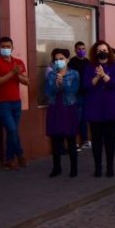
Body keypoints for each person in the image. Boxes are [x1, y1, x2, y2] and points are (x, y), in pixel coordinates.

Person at [0, 36, 29, 169]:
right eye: (3, 47)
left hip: (16, 102)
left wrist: (17, 75)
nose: (6, 49)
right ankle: (20, 153)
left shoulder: (18, 62)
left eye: (8, 46)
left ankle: (9, 159)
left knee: (13, 131)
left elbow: (27, 81)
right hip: (1, 102)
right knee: (12, 129)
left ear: (12, 48)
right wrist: (12, 73)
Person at [83, 40, 115, 177]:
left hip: (110, 107)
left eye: (105, 50)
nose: (102, 52)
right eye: (100, 50)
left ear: (109, 52)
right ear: (95, 52)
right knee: (97, 140)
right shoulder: (90, 66)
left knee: (110, 140)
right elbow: (87, 85)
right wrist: (97, 75)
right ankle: (98, 167)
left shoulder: (114, 66)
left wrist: (104, 75)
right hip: (95, 108)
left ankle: (110, 167)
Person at [45, 48, 79, 177]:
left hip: (69, 108)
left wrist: (63, 83)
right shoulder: (51, 74)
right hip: (55, 107)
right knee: (55, 139)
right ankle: (56, 167)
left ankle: (74, 168)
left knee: (70, 138)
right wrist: (55, 84)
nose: (58, 62)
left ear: (67, 60)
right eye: (56, 59)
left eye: (61, 59)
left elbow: (73, 90)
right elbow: (48, 92)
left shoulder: (74, 74)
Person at [68, 41, 90, 149]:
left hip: (86, 94)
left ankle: (85, 140)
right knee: (76, 118)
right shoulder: (72, 62)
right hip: (76, 94)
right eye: (79, 49)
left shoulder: (88, 62)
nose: (81, 51)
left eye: (83, 48)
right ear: (75, 50)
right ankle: (74, 142)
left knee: (84, 119)